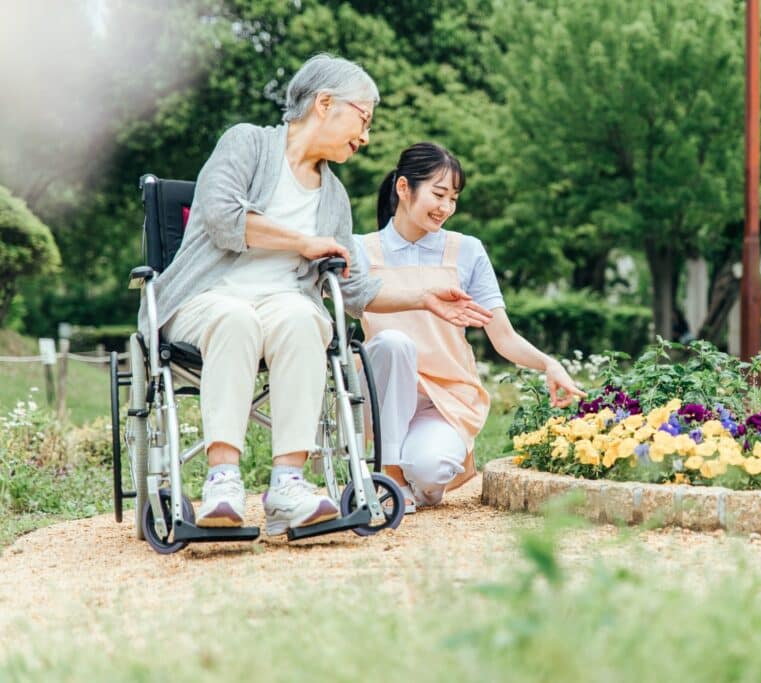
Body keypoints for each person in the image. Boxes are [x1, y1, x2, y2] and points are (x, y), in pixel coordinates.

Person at [146, 55, 492, 536]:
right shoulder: (247, 143)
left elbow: (353, 289)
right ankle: (222, 481)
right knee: (235, 318)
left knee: (306, 318)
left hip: (283, 305)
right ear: (324, 103)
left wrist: (424, 296)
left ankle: (288, 484)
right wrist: (301, 242)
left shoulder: (334, 197)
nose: (366, 136)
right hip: (206, 299)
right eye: (363, 118)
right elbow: (223, 218)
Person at [357, 142, 586, 512]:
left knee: (431, 469)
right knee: (394, 343)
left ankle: (413, 483)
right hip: (378, 395)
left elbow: (503, 336)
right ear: (403, 188)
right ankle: (392, 476)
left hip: (443, 400)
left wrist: (549, 364)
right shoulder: (360, 250)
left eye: (454, 198)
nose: (446, 208)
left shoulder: (467, 251)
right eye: (438, 194)